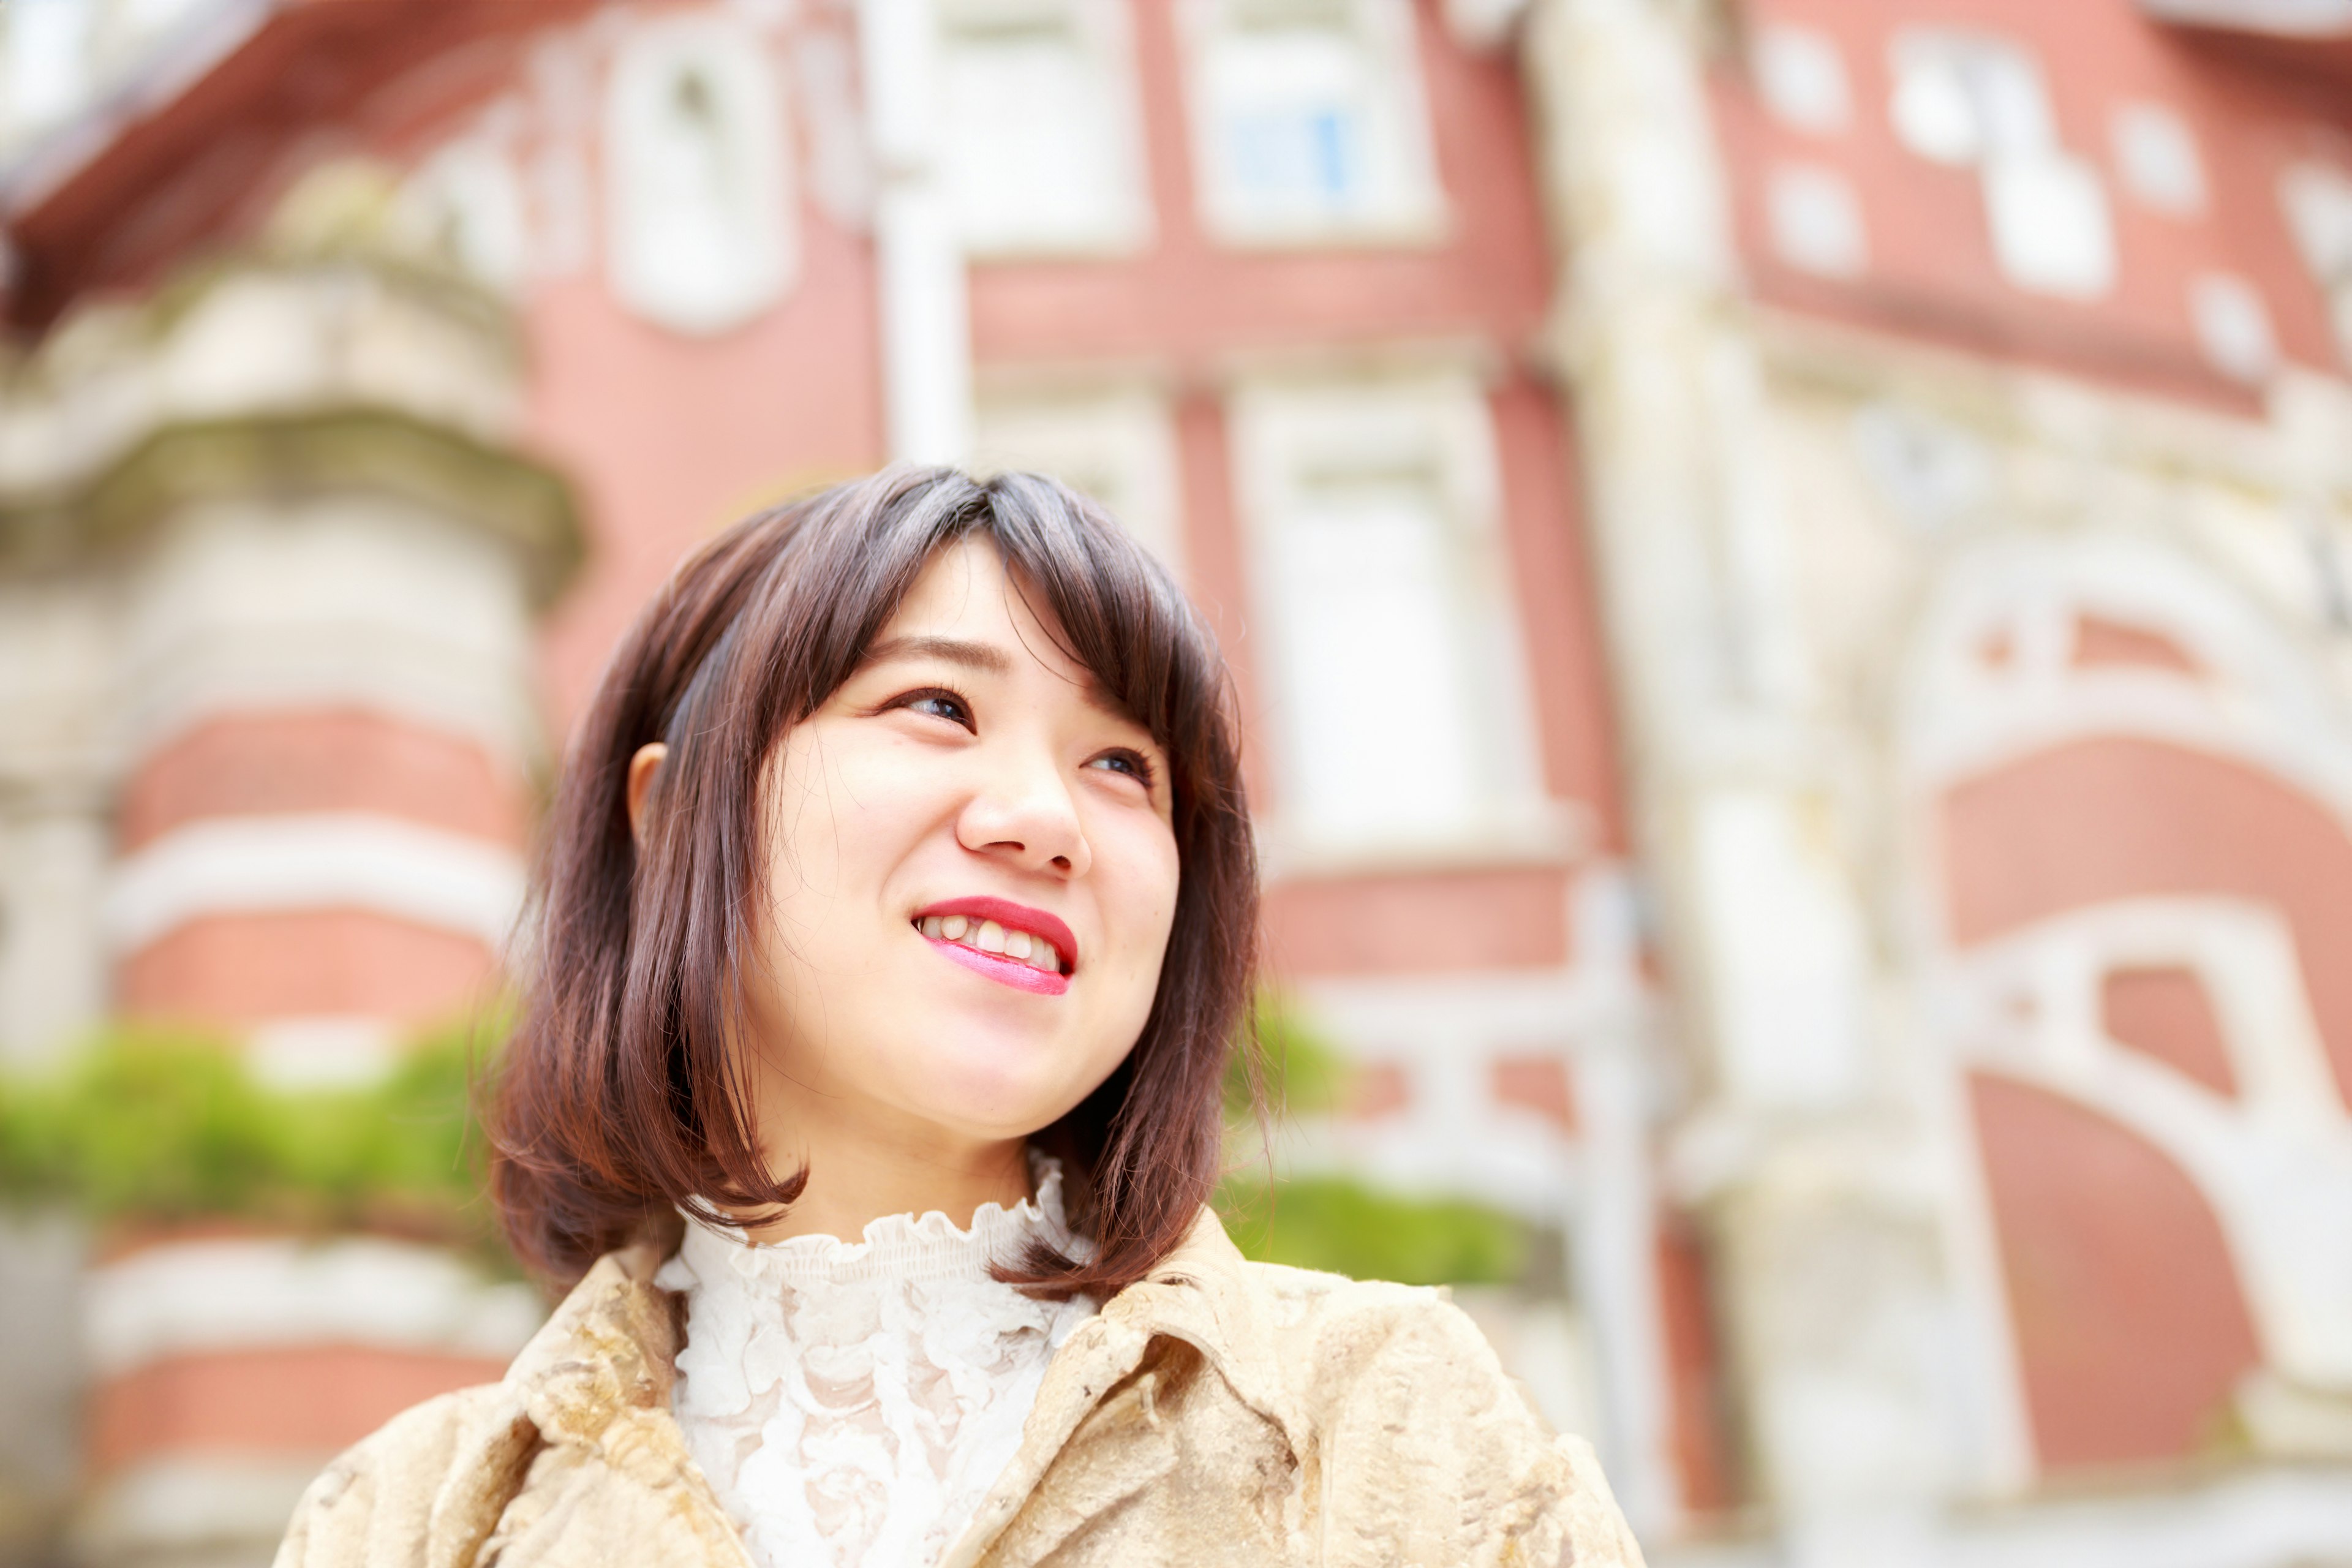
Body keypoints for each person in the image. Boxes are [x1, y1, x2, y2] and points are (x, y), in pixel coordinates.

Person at [273, 468, 1646, 1568]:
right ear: (670, 816)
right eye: (937, 704)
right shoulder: (402, 1523)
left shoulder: (1391, 1430)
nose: (1047, 819)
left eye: (1125, 764)